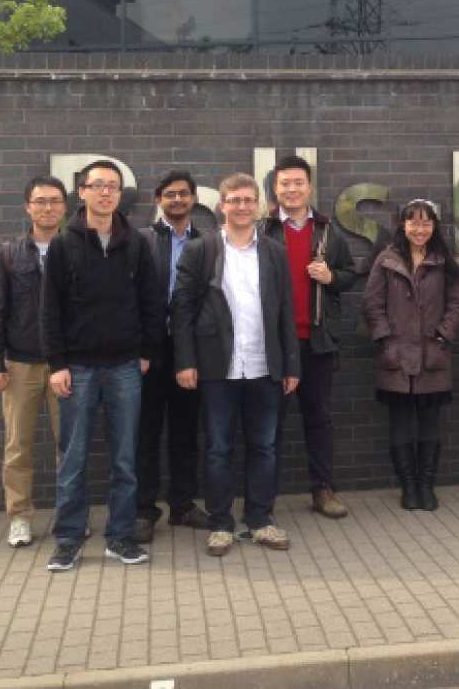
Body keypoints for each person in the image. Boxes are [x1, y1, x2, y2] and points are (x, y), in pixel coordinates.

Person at [40, 160, 164, 572]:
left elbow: (151, 301)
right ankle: (69, 540)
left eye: (113, 186)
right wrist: (56, 364)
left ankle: (121, 537)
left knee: (124, 459)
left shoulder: (136, 243)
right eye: (98, 186)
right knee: (72, 460)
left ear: (120, 194)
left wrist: (146, 351)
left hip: (125, 367)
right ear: (84, 192)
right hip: (77, 368)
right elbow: (49, 309)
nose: (106, 193)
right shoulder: (63, 243)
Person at [171, 173, 301, 556]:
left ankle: (261, 518)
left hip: (265, 366)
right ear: (221, 205)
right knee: (218, 448)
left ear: (258, 206)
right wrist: (185, 360)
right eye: (234, 200)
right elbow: (182, 310)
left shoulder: (274, 252)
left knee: (264, 446)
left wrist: (292, 365)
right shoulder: (202, 249)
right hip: (217, 368)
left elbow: (285, 312)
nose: (242, 206)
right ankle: (221, 523)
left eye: (248, 200)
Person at [263, 154, 359, 520]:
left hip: (317, 341)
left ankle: (322, 489)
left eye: (298, 183)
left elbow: (351, 274)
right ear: (275, 188)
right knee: (271, 422)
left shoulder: (328, 230)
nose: (291, 189)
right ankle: (265, 496)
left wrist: (331, 277)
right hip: (274, 344)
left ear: (309, 186)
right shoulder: (264, 229)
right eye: (284, 183)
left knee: (318, 418)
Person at [0, 175, 67, 550]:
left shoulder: (76, 248)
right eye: (40, 201)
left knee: (70, 445)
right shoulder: (8, 253)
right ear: (28, 207)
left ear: (65, 207)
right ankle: (19, 517)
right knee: (18, 446)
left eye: (54, 201)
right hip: (20, 364)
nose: (48, 208)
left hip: (66, 364)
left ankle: (69, 517)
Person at [363, 198, 459, 512]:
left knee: (430, 424)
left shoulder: (442, 260)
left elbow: (456, 303)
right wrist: (386, 339)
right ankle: (408, 487)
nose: (419, 229)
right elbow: (371, 303)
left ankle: (426, 485)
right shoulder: (387, 259)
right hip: (396, 357)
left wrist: (443, 335)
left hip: (432, 354)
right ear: (403, 225)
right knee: (401, 424)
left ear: (434, 226)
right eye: (413, 223)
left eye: (426, 223)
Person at [132, 170, 205, 544]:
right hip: (149, 354)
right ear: (157, 200)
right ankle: (144, 510)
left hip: (188, 352)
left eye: (184, 194)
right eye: (170, 195)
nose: (177, 200)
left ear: (193, 199)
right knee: (145, 434)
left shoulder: (206, 243)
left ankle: (183, 505)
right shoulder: (142, 240)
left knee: (185, 433)